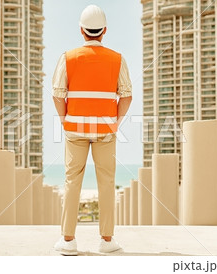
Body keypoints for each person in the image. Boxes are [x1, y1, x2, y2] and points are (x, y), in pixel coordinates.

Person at [52, 4, 132, 255]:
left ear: (82, 30)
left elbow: (57, 93)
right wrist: (115, 122)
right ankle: (107, 241)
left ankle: (68, 241)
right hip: (105, 131)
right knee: (107, 182)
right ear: (104, 30)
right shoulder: (117, 59)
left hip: (74, 130)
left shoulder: (68, 57)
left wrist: (65, 120)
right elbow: (127, 95)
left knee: (71, 182)